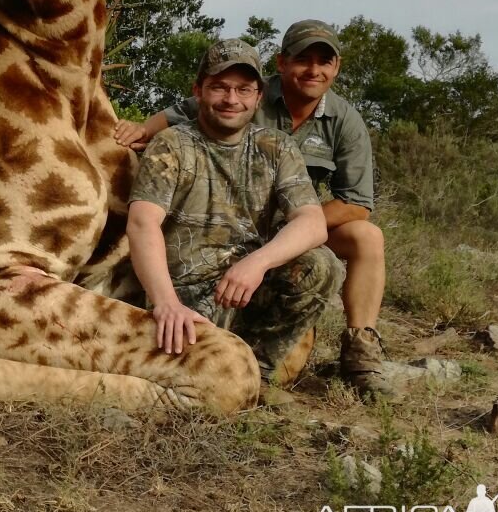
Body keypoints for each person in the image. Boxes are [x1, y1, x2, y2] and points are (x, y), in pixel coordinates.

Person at [116, 20, 393, 397]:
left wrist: (259, 261)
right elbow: (143, 222)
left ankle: (270, 373)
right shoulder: (172, 144)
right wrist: (166, 304)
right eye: (219, 87)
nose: (232, 99)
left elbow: (330, 216)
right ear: (199, 91)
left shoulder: (290, 141)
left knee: (324, 264)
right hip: (191, 290)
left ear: (258, 96)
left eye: (243, 89)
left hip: (254, 264)